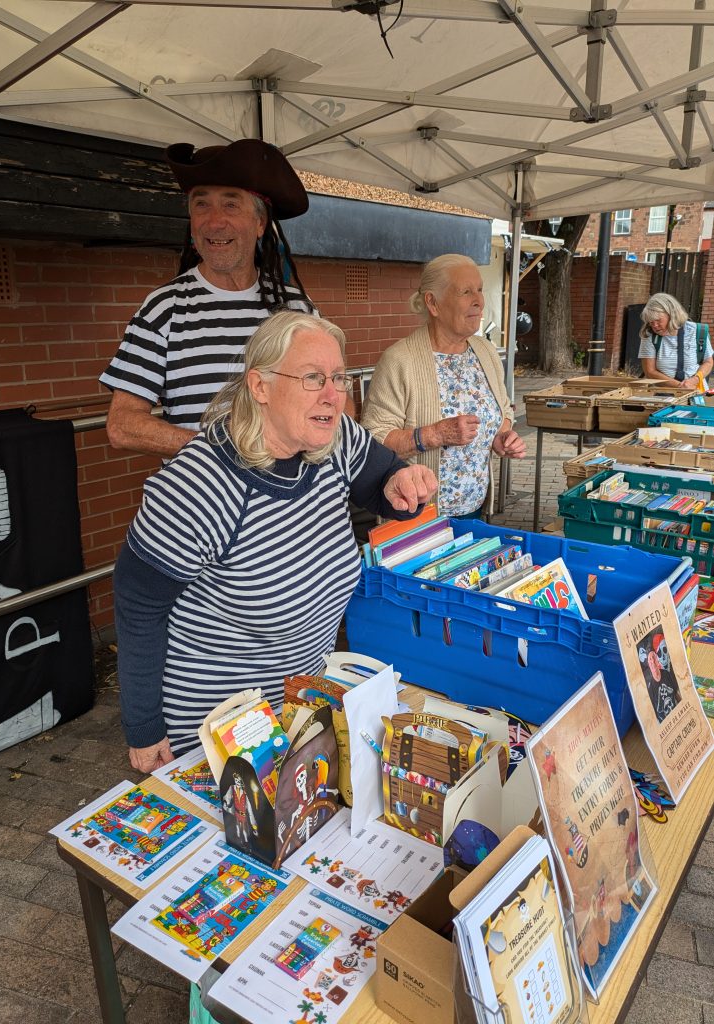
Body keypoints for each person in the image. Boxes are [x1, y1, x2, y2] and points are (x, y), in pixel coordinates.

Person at [114, 310, 437, 772]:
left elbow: (381, 479)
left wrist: (400, 485)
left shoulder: (335, 438)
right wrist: (144, 728)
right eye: (312, 377)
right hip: (220, 731)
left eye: (338, 378)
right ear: (259, 386)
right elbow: (137, 603)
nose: (332, 395)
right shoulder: (199, 484)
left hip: (300, 708)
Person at [100, 139, 315, 458]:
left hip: (290, 500)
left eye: (230, 204)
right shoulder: (164, 309)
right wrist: (222, 452)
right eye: (202, 204)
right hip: (200, 505)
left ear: (259, 223)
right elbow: (123, 424)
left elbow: (337, 400)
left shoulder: (296, 307)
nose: (214, 221)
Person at [361, 254, 525, 519]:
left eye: (480, 289)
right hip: (416, 517)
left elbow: (503, 409)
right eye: (465, 291)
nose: (479, 300)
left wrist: (501, 437)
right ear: (433, 303)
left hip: (475, 511)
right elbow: (372, 440)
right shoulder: (400, 359)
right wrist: (436, 435)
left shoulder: (486, 351)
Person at [638, 292, 713, 390]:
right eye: (651, 322)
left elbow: (708, 362)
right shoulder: (649, 336)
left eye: (658, 320)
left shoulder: (698, 331)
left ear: (671, 315)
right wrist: (680, 386)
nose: (655, 326)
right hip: (663, 395)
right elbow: (650, 372)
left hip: (696, 393)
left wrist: (695, 380)